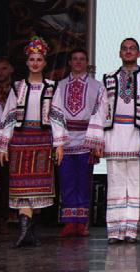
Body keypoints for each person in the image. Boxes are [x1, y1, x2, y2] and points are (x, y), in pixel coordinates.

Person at [0, 37, 67, 247]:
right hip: (20, 142)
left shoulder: (52, 87)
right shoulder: (18, 87)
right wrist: (2, 145)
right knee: (21, 188)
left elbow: (57, 116)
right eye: (32, 59)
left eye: (39, 59)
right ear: (27, 62)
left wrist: (59, 144)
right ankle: (25, 232)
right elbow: (8, 115)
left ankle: (29, 232)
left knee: (39, 189)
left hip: (42, 141)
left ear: (44, 63)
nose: (35, 63)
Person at [85, 38, 140, 244]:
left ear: (139, 53)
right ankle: (114, 231)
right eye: (124, 49)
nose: (128, 52)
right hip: (114, 135)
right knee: (115, 183)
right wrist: (97, 140)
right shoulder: (109, 78)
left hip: (136, 134)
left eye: (132, 49)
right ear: (119, 53)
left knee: (135, 184)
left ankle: (131, 231)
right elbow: (100, 109)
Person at [57, 48, 104, 237]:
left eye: (82, 59)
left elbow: (100, 114)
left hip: (86, 139)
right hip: (65, 140)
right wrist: (57, 140)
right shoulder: (59, 86)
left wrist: (96, 141)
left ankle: (82, 223)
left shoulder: (97, 86)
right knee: (66, 181)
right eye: (74, 59)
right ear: (69, 62)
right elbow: (54, 113)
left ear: (87, 63)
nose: (78, 62)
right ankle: (69, 222)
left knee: (84, 182)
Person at [0, 56, 13, 234]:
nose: (0, 72)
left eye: (4, 68)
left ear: (11, 70)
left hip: (11, 141)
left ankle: (3, 218)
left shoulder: (17, 89)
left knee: (6, 180)